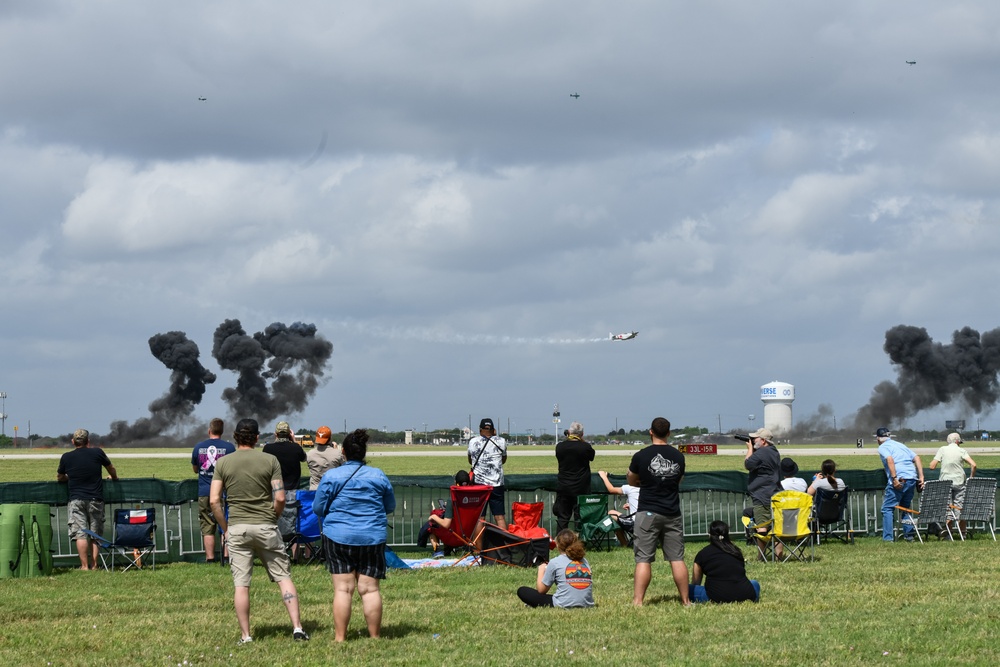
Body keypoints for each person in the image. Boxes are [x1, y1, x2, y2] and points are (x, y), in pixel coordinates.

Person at [209, 418, 308, 644]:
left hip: (237, 529)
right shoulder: (269, 460)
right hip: (266, 526)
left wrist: (225, 529)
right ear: (256, 437)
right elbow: (280, 496)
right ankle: (297, 628)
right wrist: (273, 516)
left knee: (241, 584)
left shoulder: (224, 463)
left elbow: (214, 501)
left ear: (235, 437)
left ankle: (246, 636)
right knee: (284, 578)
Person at [313, 429, 396, 642]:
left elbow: (318, 508)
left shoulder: (331, 476)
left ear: (343, 452)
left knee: (343, 589)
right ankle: (375, 636)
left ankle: (340, 638)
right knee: (369, 590)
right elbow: (389, 506)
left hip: (338, 536)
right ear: (364, 452)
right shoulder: (378, 475)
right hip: (372, 537)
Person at [627, 417, 689, 606]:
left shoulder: (641, 455)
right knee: (677, 558)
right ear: (669, 433)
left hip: (647, 512)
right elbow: (678, 480)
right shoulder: (678, 456)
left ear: (651, 432)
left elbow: (631, 478)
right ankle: (686, 601)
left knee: (643, 559)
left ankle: (638, 601)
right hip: (672, 512)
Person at [56, 429, 118, 570]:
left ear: (73, 442)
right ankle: (94, 565)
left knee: (80, 533)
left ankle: (84, 566)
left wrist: (68, 478)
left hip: (76, 500)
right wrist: (114, 478)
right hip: (96, 499)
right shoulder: (97, 452)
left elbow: (60, 477)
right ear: (88, 441)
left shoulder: (66, 457)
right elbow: (111, 468)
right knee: (95, 533)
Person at [191, 418, 236, 563]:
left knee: (207, 525)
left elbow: (195, 469)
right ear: (222, 432)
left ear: (209, 431)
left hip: (205, 492)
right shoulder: (229, 448)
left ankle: (210, 558)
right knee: (226, 524)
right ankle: (226, 556)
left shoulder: (198, 447)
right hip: (224, 493)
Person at [516, 529, 594, 608]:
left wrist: (541, 569)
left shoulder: (555, 562)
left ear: (557, 545)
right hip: (587, 603)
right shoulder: (584, 561)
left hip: (564, 604)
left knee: (522, 591)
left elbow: (541, 590)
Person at [689, 520, 760, 604]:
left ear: (709, 535)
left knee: (687, 589)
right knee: (754, 583)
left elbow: (696, 582)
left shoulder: (702, 554)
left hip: (716, 596)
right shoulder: (736, 551)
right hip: (745, 594)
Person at [876, 427, 925, 542]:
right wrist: (921, 477)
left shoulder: (883, 447)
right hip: (912, 478)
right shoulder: (900, 445)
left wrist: (894, 478)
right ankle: (909, 536)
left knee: (887, 508)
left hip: (900, 479)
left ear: (878, 438)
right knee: (905, 508)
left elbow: (890, 460)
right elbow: (917, 458)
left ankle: (888, 539)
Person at [263, 421, 307, 546]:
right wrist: (293, 441)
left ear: (275, 434)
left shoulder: (268, 448)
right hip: (293, 492)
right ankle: (295, 554)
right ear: (289, 434)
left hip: (274, 492)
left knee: (273, 523)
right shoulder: (296, 448)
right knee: (294, 524)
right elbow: (304, 458)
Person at [929, 433, 977, 538]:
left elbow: (932, 466)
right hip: (959, 482)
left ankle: (948, 535)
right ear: (957, 442)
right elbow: (973, 465)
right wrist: (971, 477)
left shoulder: (942, 449)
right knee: (960, 508)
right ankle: (963, 534)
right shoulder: (961, 451)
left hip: (945, 483)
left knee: (947, 509)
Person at [744, 427, 781, 558]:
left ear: (763, 441)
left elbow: (748, 464)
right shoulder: (774, 451)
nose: (753, 440)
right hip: (775, 493)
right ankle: (779, 555)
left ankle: (762, 556)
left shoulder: (761, 453)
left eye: (756, 438)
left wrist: (750, 449)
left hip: (761, 494)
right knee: (777, 527)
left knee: (761, 526)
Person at [554, 422, 596, 533]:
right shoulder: (585, 447)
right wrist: (581, 441)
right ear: (582, 434)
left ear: (569, 432)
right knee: (580, 517)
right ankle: (581, 541)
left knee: (563, 518)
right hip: (581, 488)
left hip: (564, 487)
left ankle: (561, 541)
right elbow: (591, 456)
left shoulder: (560, 447)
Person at [467, 418, 508, 530]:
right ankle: (503, 545)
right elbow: (503, 460)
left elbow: (470, 460)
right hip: (497, 483)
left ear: (480, 430)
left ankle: (477, 546)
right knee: (499, 517)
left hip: (479, 484)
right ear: (493, 430)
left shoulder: (473, 442)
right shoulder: (501, 441)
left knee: (480, 517)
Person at [597, 469, 639, 546]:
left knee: (611, 514)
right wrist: (631, 505)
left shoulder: (630, 487)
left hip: (635, 525)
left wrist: (604, 476)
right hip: (650, 524)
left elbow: (612, 490)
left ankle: (624, 543)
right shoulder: (649, 489)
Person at [307, 426, 345, 490]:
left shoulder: (310, 454)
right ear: (330, 438)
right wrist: (335, 449)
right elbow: (344, 468)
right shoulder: (337, 454)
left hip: (315, 490)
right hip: (332, 490)